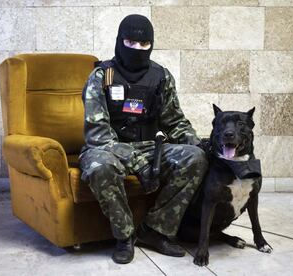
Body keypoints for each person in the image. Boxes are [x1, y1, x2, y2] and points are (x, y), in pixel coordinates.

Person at [79, 14, 208, 264]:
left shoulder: (161, 76)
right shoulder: (101, 76)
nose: (137, 49)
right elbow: (97, 132)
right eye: (130, 43)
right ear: (119, 41)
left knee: (196, 157)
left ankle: (156, 231)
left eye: (144, 45)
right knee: (99, 167)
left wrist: (197, 142)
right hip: (109, 148)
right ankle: (124, 237)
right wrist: (136, 161)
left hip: (151, 147)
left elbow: (175, 121)